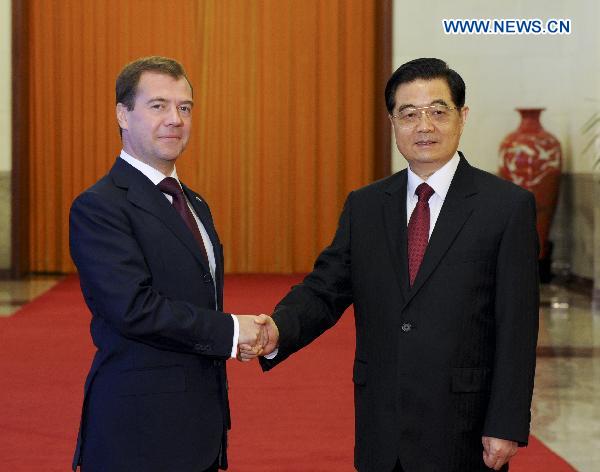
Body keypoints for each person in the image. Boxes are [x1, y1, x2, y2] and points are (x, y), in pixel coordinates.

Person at [248, 58, 539, 471]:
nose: (424, 126)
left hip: (464, 429)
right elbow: (325, 289)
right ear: (392, 122)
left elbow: (518, 326)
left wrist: (506, 423)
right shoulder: (365, 206)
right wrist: (277, 328)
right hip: (382, 427)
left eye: (438, 112)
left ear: (462, 117)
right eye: (409, 114)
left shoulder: (506, 207)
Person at [70, 56, 265, 472]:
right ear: (123, 114)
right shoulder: (100, 206)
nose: (175, 119)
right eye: (158, 105)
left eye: (185, 107)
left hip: (200, 427)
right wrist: (230, 331)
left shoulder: (194, 203)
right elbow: (133, 308)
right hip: (137, 432)